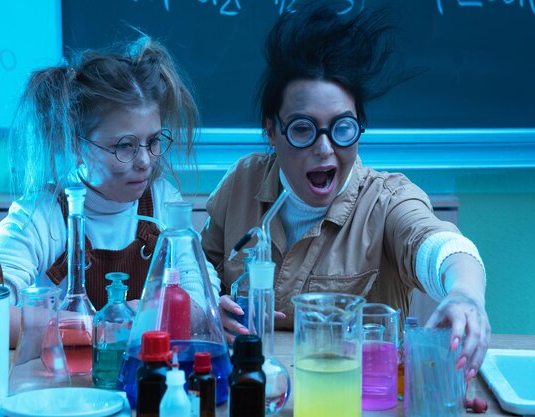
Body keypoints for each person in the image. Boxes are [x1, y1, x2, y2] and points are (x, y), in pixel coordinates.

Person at [201, 1, 490, 381]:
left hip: (358, 396)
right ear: (272, 131)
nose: (325, 149)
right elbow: (200, 262)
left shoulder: (386, 199)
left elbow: (440, 245)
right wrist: (206, 305)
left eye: (342, 128)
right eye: (303, 129)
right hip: (255, 392)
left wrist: (465, 295)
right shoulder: (243, 181)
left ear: (360, 127)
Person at [0, 35, 221, 346]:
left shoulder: (163, 200)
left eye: (153, 142)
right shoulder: (40, 216)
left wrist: (128, 313)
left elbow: (200, 299)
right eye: (124, 146)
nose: (145, 162)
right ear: (76, 144)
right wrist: (103, 324)